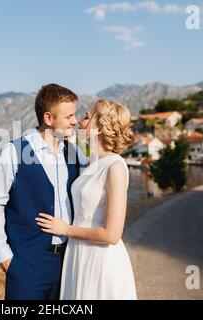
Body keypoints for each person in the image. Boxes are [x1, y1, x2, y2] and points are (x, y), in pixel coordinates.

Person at [0, 83, 87, 300]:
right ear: (49, 119)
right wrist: (7, 260)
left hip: (68, 263)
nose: (75, 121)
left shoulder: (73, 153)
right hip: (27, 267)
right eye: (69, 117)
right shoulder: (13, 152)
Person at [36, 99, 138, 299]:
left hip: (100, 259)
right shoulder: (91, 163)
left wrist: (65, 229)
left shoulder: (115, 167)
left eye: (86, 117)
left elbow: (112, 235)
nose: (79, 122)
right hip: (78, 253)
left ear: (99, 127)